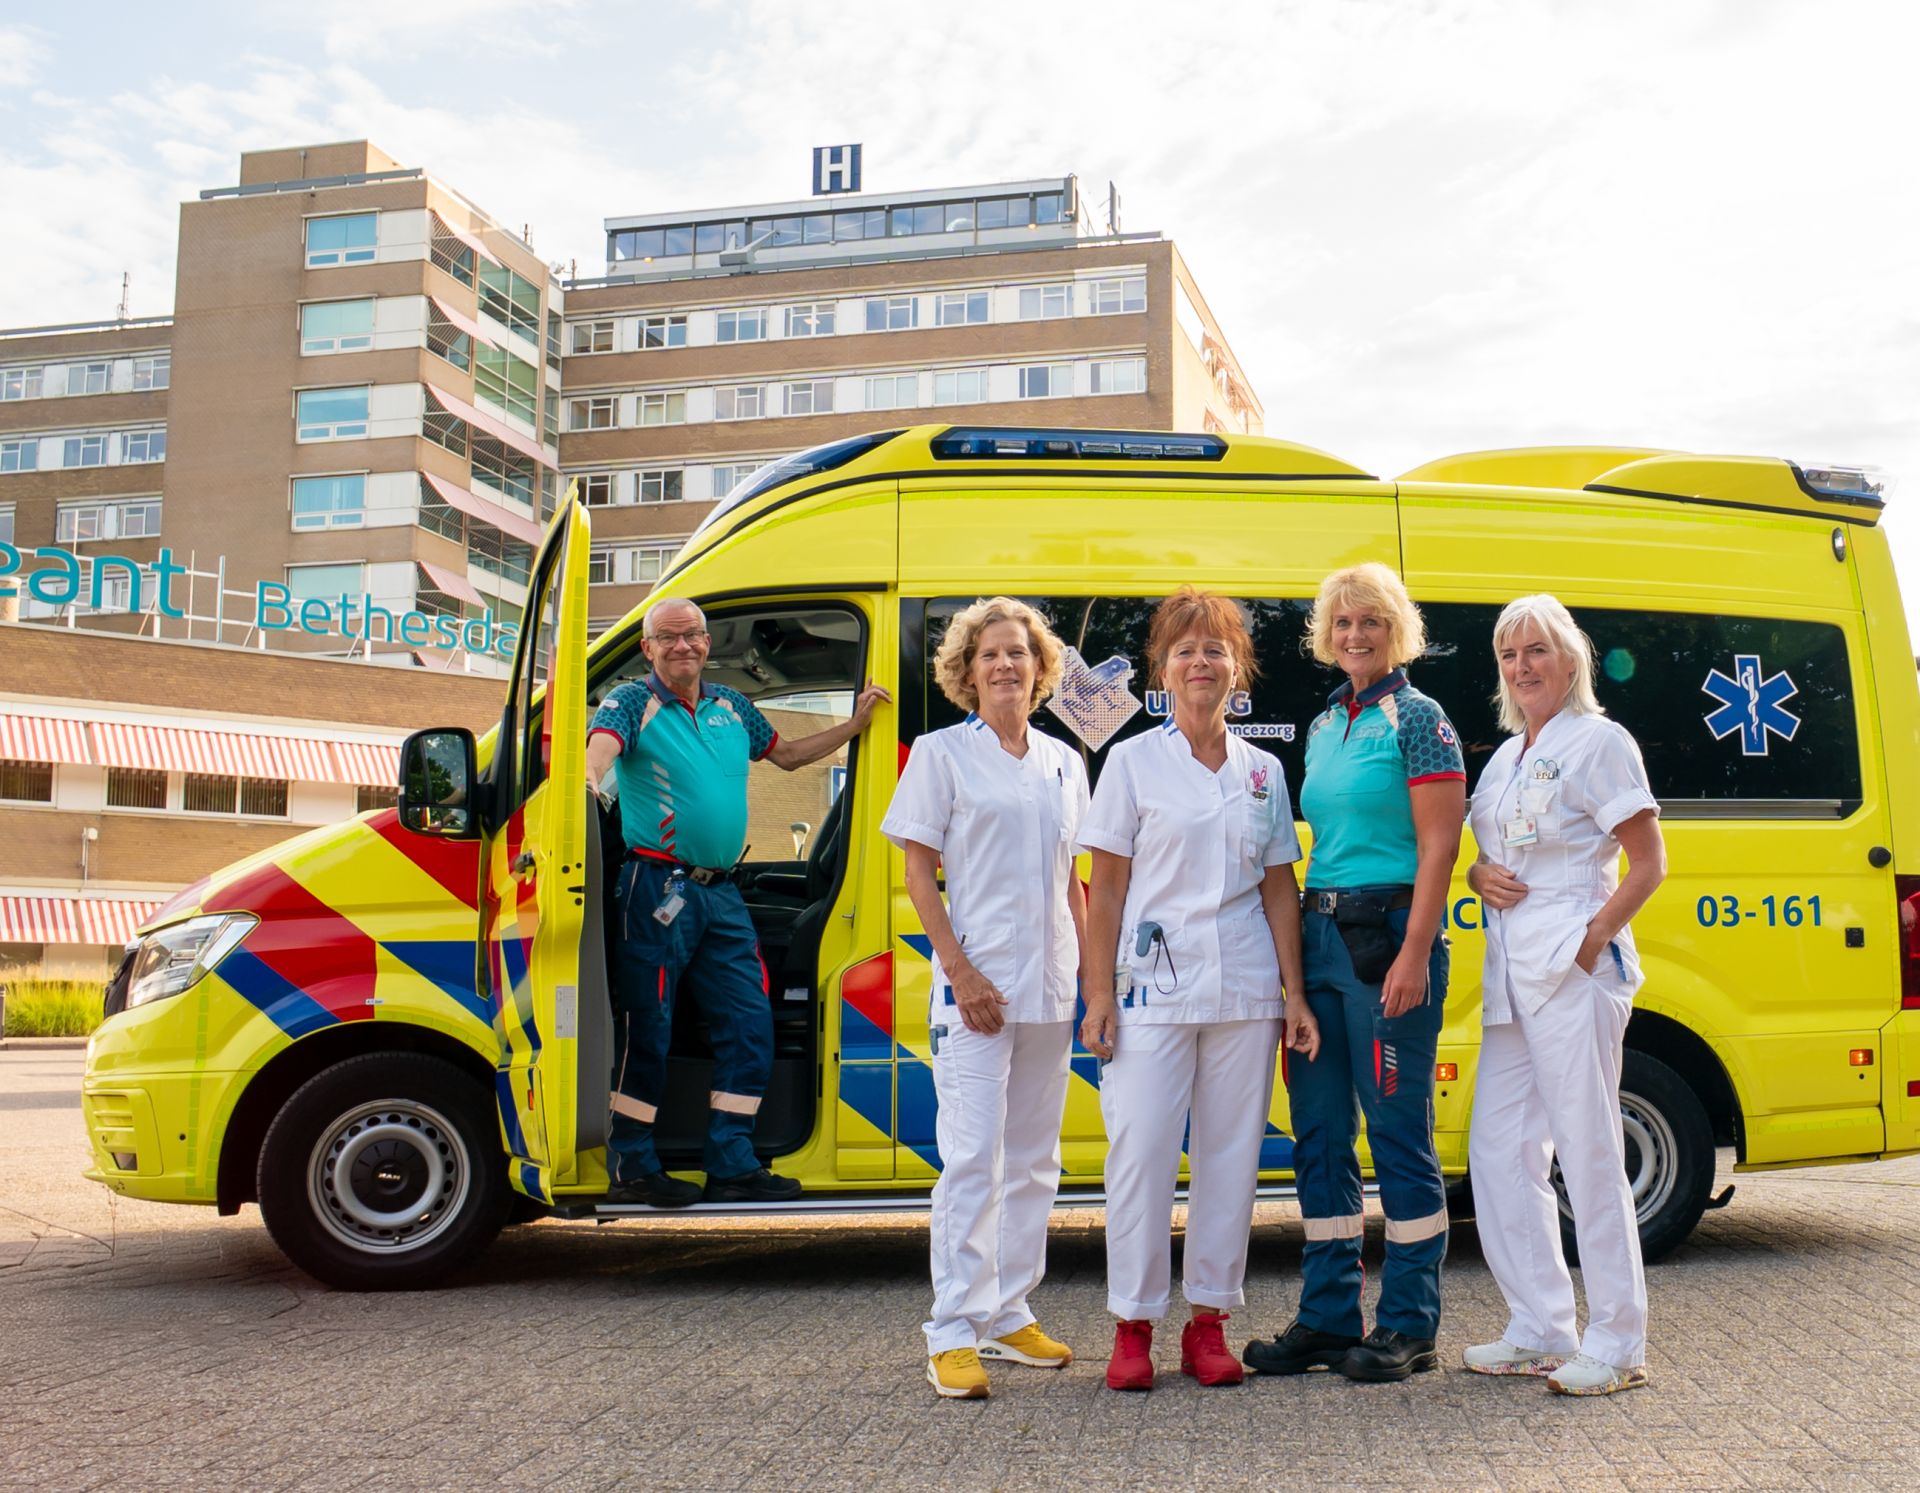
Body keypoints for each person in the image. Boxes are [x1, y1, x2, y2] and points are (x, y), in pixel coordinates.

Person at [1078, 587, 1318, 1393]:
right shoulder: (1131, 761)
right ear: (1163, 667)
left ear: (1237, 667)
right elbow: (1104, 888)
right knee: (1140, 1152)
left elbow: (1280, 887)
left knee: (1229, 1158)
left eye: (1215, 648)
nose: (1200, 662)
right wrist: (1098, 991)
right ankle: (1133, 1325)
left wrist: (1293, 991)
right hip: (1151, 988)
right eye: (1185, 649)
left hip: (1246, 988)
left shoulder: (1263, 771)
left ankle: (1209, 1321)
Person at [586, 597, 888, 1207]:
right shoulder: (629, 701)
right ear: (647, 648)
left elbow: (790, 756)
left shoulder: (731, 705)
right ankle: (635, 1164)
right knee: (649, 1025)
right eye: (667, 638)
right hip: (656, 889)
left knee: (750, 1025)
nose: (683, 646)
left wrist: (855, 728)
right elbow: (600, 749)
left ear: (706, 642)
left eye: (693, 635)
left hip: (721, 892)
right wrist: (588, 783)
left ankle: (732, 1160)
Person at [1247, 562, 1465, 1383]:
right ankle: (1331, 1317)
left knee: (1399, 1136)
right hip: (1323, 936)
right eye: (1341, 623)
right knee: (1321, 1136)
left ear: (1395, 629)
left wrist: (1416, 949)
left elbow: (1440, 844)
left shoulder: (1421, 718)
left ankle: (1409, 1323)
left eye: (1369, 621)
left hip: (1388, 946)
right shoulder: (1326, 719)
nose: (1354, 635)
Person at [882, 597, 1089, 1401]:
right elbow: (917, 873)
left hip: (1050, 986)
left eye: (1020, 653)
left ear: (1041, 670)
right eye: (991, 654)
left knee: (1037, 1158)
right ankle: (952, 1329)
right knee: (972, 1159)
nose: (1006, 664)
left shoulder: (1066, 762)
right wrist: (959, 971)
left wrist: (1091, 981)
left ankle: (1007, 1311)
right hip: (977, 991)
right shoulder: (940, 754)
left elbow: (1075, 878)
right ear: (967, 672)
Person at [1462, 594, 1667, 1396]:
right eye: (1509, 654)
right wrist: (1478, 873)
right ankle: (1541, 1325)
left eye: (1536, 650)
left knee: (1586, 1149)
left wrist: (1591, 940)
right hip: (1513, 974)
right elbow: (1487, 855)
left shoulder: (1600, 742)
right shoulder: (1505, 756)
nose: (1522, 666)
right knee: (1500, 1149)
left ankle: (1618, 1341)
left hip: (1573, 969)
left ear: (1570, 659)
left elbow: (1648, 861)